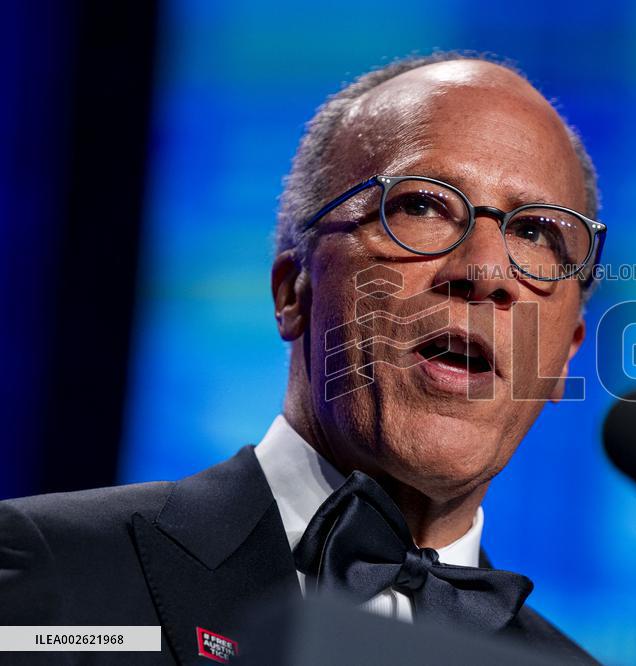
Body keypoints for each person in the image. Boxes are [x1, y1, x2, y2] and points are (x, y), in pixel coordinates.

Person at [0, 52, 605, 665]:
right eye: (420, 206)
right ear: (293, 292)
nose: (486, 271)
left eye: (536, 233)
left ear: (563, 359)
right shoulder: (58, 576)